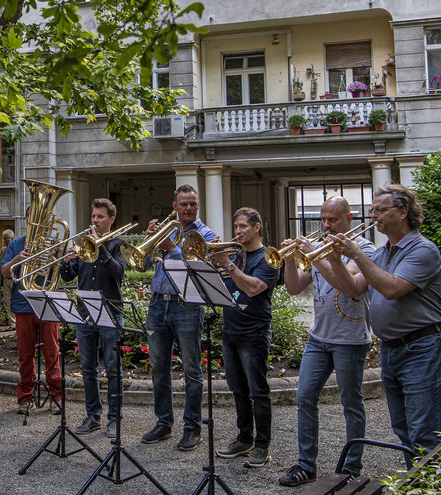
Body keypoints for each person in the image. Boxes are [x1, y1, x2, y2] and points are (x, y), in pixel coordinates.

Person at [328, 184, 441, 467]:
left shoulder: (423, 250)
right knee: (403, 429)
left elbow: (393, 289)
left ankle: (428, 491)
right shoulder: (384, 253)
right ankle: (418, 486)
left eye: (380, 210)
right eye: (372, 210)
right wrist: (334, 260)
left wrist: (357, 255)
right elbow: (353, 289)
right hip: (392, 349)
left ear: (403, 211)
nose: (374, 216)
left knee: (423, 433)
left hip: (422, 348)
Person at [275, 197, 375, 486]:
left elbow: (350, 287)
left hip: (350, 339)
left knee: (351, 403)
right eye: (324, 219)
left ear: (349, 218)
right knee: (305, 396)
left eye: (333, 219)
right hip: (319, 338)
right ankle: (307, 465)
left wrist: (316, 256)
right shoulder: (318, 250)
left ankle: (351, 468)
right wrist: (291, 259)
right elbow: (294, 288)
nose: (326, 225)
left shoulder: (364, 250)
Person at [142, 184, 217, 451]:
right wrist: (151, 243)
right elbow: (145, 264)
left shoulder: (206, 235)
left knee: (192, 370)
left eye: (193, 204)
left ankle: (192, 427)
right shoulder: (167, 229)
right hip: (157, 304)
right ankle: (163, 423)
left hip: (187, 306)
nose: (188, 208)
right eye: (183, 203)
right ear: (174, 206)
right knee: (159, 369)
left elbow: (197, 268)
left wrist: (170, 247)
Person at [208, 208, 280, 467]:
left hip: (254, 331)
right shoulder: (236, 256)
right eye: (235, 227)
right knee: (238, 389)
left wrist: (227, 264)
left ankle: (262, 445)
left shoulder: (269, 257)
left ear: (257, 227)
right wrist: (214, 266)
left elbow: (253, 288)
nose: (237, 231)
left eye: (242, 227)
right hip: (231, 329)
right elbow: (222, 288)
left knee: (257, 391)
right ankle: (244, 438)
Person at [60, 198, 126, 438]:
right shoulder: (82, 245)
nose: (95, 220)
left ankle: (114, 419)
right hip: (85, 312)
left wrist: (100, 251)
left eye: (100, 217)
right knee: (87, 368)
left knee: (112, 368)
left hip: (110, 311)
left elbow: (119, 273)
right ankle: (93, 416)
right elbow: (68, 277)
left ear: (111, 219)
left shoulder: (118, 244)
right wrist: (67, 263)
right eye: (93, 216)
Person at [1, 230, 63, 416]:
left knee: (52, 352)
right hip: (23, 304)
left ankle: (56, 397)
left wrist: (57, 258)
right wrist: (17, 260)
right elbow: (4, 272)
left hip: (47, 302)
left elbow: (65, 273)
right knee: (25, 354)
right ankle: (25, 397)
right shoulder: (16, 244)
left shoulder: (54, 243)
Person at [0, 229, 16, 331]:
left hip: (15, 278)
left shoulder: (17, 248)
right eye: (4, 239)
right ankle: (12, 323)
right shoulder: (2, 250)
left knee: (16, 300)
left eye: (8, 239)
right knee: (7, 301)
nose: (6, 241)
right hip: (6, 279)